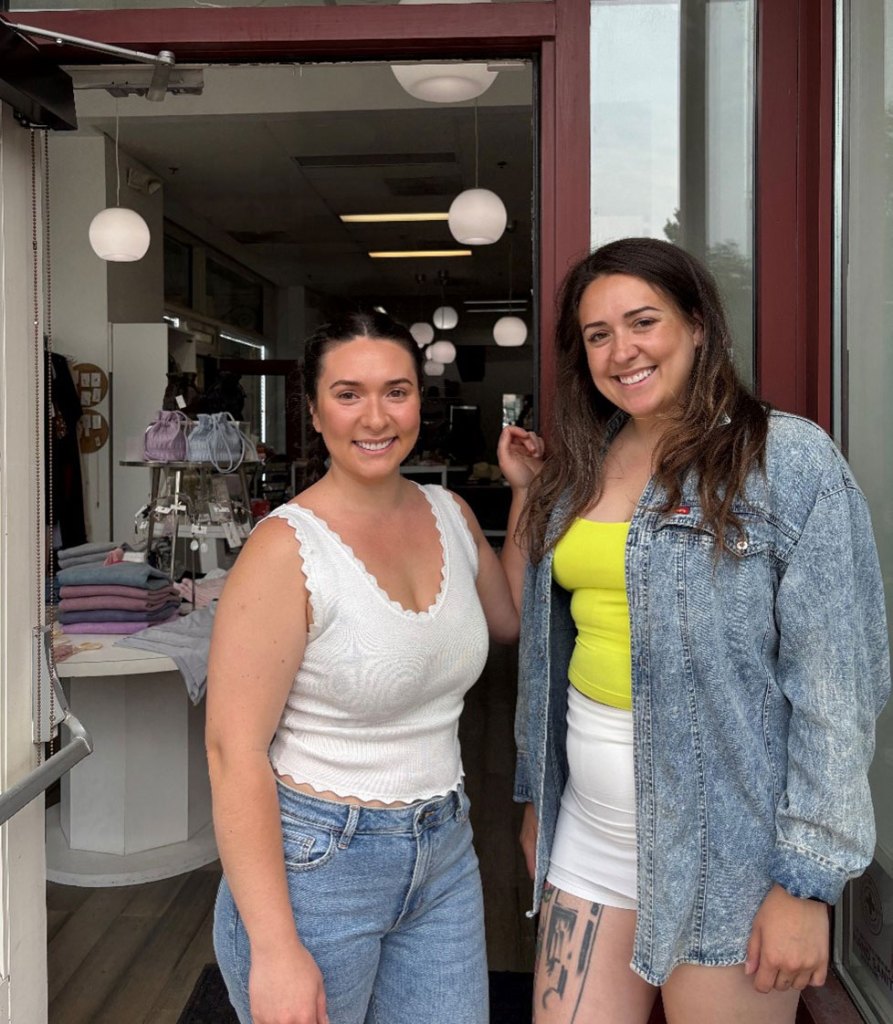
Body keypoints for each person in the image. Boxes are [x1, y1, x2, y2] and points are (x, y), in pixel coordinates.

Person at [497, 237, 890, 1024]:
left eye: (642, 322)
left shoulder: (785, 459)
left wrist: (806, 881)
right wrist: (538, 793)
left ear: (698, 325)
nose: (621, 351)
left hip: (728, 859)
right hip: (588, 838)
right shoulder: (585, 461)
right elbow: (534, 633)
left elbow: (835, 686)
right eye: (597, 335)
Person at [207, 310, 519, 1024]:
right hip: (316, 864)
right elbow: (232, 753)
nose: (375, 417)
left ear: (419, 401)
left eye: (396, 391)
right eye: (348, 394)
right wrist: (276, 948)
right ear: (314, 411)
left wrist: (524, 492)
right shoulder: (285, 549)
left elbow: (506, 623)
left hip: (443, 845)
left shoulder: (451, 513)